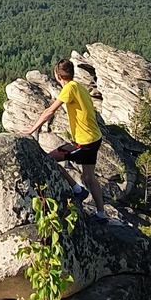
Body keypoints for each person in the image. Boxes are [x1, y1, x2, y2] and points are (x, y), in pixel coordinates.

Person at [22, 58, 105, 207]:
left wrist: (31, 129)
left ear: (58, 76)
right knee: (89, 177)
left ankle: (78, 190)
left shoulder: (69, 89)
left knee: (49, 160)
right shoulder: (79, 87)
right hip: (95, 138)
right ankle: (101, 214)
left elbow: (50, 111)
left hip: (83, 142)